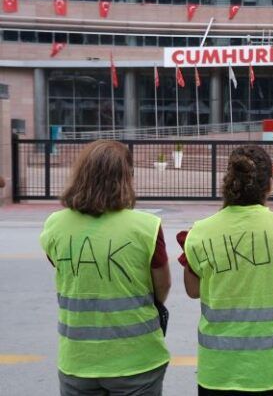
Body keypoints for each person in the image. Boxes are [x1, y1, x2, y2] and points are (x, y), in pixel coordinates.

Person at [179, 145, 273, 395]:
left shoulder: (201, 233)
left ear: (229, 182)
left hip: (219, 370)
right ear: (270, 185)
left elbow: (192, 290)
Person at [39, 140, 171, 396]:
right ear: (126, 177)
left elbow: (63, 269)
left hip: (77, 359)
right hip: (137, 359)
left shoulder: (55, 225)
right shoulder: (146, 227)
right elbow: (162, 287)